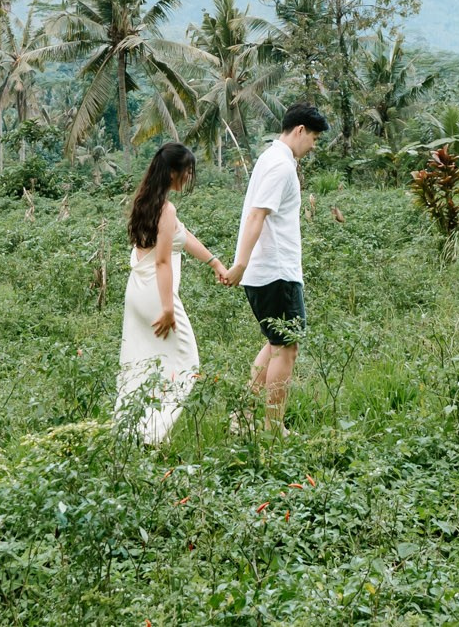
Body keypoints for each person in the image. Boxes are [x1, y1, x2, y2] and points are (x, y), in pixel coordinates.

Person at [222, 104, 328, 433]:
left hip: (268, 271)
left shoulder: (271, 158)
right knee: (287, 349)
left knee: (274, 343)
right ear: (299, 130)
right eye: (313, 138)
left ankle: (243, 417)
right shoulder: (280, 166)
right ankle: (273, 426)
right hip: (275, 272)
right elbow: (257, 215)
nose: (313, 145)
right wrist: (240, 263)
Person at [116, 142, 227, 445]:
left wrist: (214, 262)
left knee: (144, 360)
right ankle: (152, 433)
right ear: (174, 172)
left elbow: (182, 235)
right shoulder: (166, 208)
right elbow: (163, 261)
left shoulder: (147, 201)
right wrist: (167, 308)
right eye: (188, 171)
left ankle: (134, 429)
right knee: (186, 360)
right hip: (156, 294)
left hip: (138, 290)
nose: (190, 177)